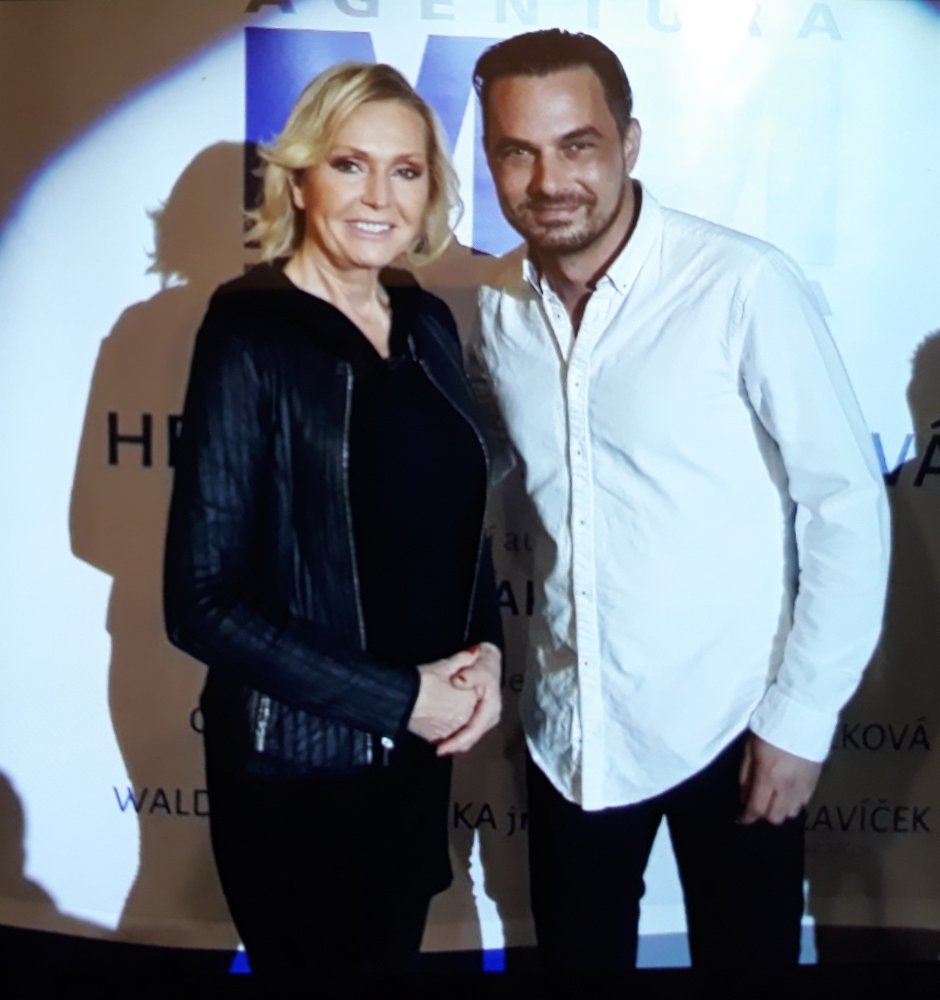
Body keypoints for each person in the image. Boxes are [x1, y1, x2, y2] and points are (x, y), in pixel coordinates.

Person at [468, 29, 890, 970]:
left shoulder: (740, 284)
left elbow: (844, 506)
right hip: (570, 732)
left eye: (577, 145)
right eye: (517, 151)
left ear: (629, 142)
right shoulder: (496, 306)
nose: (549, 181)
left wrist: (800, 717)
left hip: (736, 724)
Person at [163, 61, 502, 974]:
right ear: (302, 179)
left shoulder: (425, 321)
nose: (378, 196)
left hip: (412, 763)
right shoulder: (251, 332)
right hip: (299, 772)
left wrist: (487, 651)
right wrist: (401, 700)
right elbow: (199, 602)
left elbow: (459, 519)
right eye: (351, 164)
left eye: (406, 170)